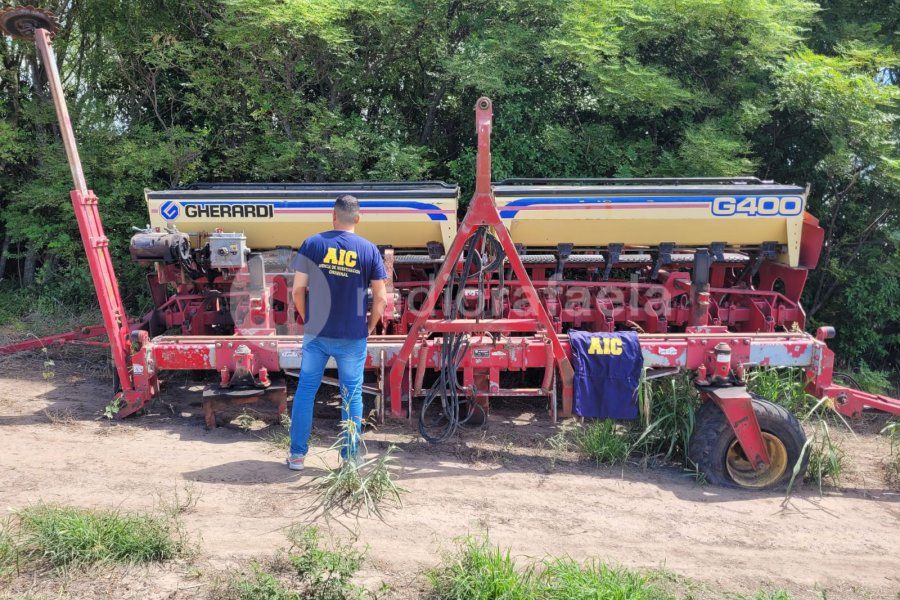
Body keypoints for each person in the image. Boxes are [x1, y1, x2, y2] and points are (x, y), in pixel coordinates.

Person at [287, 194, 388, 471]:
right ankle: (350, 459)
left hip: (317, 336)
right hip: (352, 337)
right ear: (357, 218)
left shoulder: (313, 244)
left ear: (333, 216)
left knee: (306, 391)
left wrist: (309, 319)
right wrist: (369, 326)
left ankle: (297, 456)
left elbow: (297, 290)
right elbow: (381, 299)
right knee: (351, 395)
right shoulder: (369, 250)